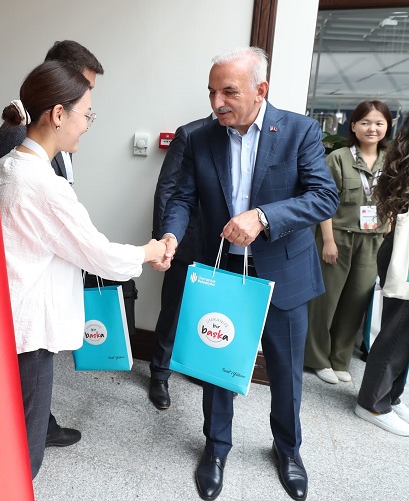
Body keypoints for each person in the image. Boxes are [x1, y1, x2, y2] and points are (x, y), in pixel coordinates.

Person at [154, 47, 339, 501]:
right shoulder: (200, 137)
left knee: (285, 372)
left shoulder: (298, 131)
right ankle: (215, 448)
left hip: (283, 272)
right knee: (218, 362)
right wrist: (171, 236)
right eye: (212, 92)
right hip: (223, 270)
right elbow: (181, 198)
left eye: (229, 92)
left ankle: (288, 450)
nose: (217, 102)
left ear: (261, 90)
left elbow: (324, 197)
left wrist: (263, 216)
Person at [0, 60, 166, 479]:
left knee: (4, 434)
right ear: (58, 114)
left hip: (4, 318)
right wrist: (149, 250)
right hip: (29, 331)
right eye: (86, 114)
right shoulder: (43, 184)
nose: (88, 125)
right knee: (25, 451)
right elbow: (99, 254)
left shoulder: (7, 166)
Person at [0, 40, 104, 451]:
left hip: (43, 284)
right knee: (21, 389)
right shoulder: (16, 140)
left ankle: (42, 424)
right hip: (24, 295)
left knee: (32, 392)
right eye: (84, 101)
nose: (87, 118)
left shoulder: (57, 140)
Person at [304, 101, 392, 384]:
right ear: (353, 126)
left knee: (356, 300)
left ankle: (340, 359)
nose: (372, 128)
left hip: (373, 240)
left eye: (378, 123)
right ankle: (317, 358)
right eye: (365, 122)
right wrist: (328, 241)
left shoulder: (391, 161)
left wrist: (389, 229)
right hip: (338, 236)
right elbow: (325, 201)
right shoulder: (339, 158)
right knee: (326, 300)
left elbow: (394, 199)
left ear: (387, 127)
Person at [148, 117, 210, 410]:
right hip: (186, 238)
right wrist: (162, 242)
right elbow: (167, 189)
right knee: (173, 309)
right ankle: (159, 374)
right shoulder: (190, 133)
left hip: (223, 244)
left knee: (207, 310)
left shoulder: (242, 136)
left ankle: (196, 365)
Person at [355, 116, 409, 436]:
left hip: (400, 250)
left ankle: (390, 395)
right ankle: (373, 402)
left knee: (403, 332)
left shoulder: (400, 157)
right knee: (397, 331)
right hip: (404, 253)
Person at [0, 39, 105, 177]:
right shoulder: (19, 134)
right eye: (84, 86)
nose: (87, 94)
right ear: (60, 77)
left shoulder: (63, 131)